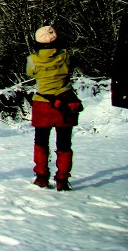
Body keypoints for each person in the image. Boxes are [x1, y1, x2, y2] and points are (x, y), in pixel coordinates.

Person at [26, 25, 82, 192]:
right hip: (64, 104)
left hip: (42, 103)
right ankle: (62, 180)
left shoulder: (33, 59)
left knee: (41, 142)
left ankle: (42, 177)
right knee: (64, 143)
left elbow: (31, 73)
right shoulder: (65, 56)